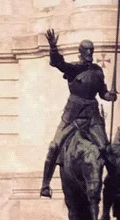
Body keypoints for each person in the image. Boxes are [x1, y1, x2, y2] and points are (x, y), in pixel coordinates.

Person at [39, 29, 116, 198]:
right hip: (73, 113)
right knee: (54, 146)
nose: (89, 53)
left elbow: (102, 93)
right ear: (81, 52)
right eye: (87, 50)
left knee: (106, 148)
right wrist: (53, 47)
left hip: (93, 115)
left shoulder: (97, 71)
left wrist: (109, 96)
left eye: (91, 50)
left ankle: (115, 185)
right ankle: (45, 184)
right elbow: (58, 63)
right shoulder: (74, 69)